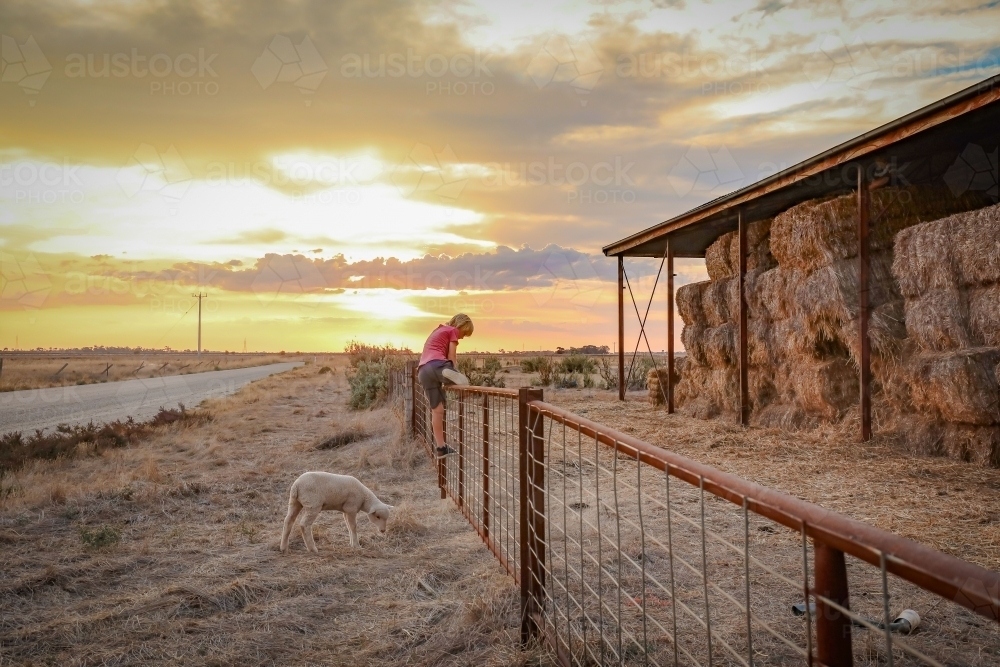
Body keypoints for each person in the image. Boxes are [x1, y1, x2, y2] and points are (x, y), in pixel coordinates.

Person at [417, 313, 473, 456]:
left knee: (438, 410)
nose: (461, 337)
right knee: (454, 373)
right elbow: (452, 355)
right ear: (460, 326)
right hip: (438, 365)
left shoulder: (438, 330)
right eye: (464, 333)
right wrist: (455, 369)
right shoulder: (452, 330)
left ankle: (441, 448)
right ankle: (451, 375)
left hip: (423, 371)